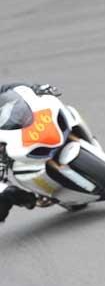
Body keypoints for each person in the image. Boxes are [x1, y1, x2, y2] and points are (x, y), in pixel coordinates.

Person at [0, 83, 61, 222]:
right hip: (4, 155)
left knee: (57, 110)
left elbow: (8, 89)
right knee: (4, 196)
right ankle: (33, 199)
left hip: (14, 128)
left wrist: (34, 89)